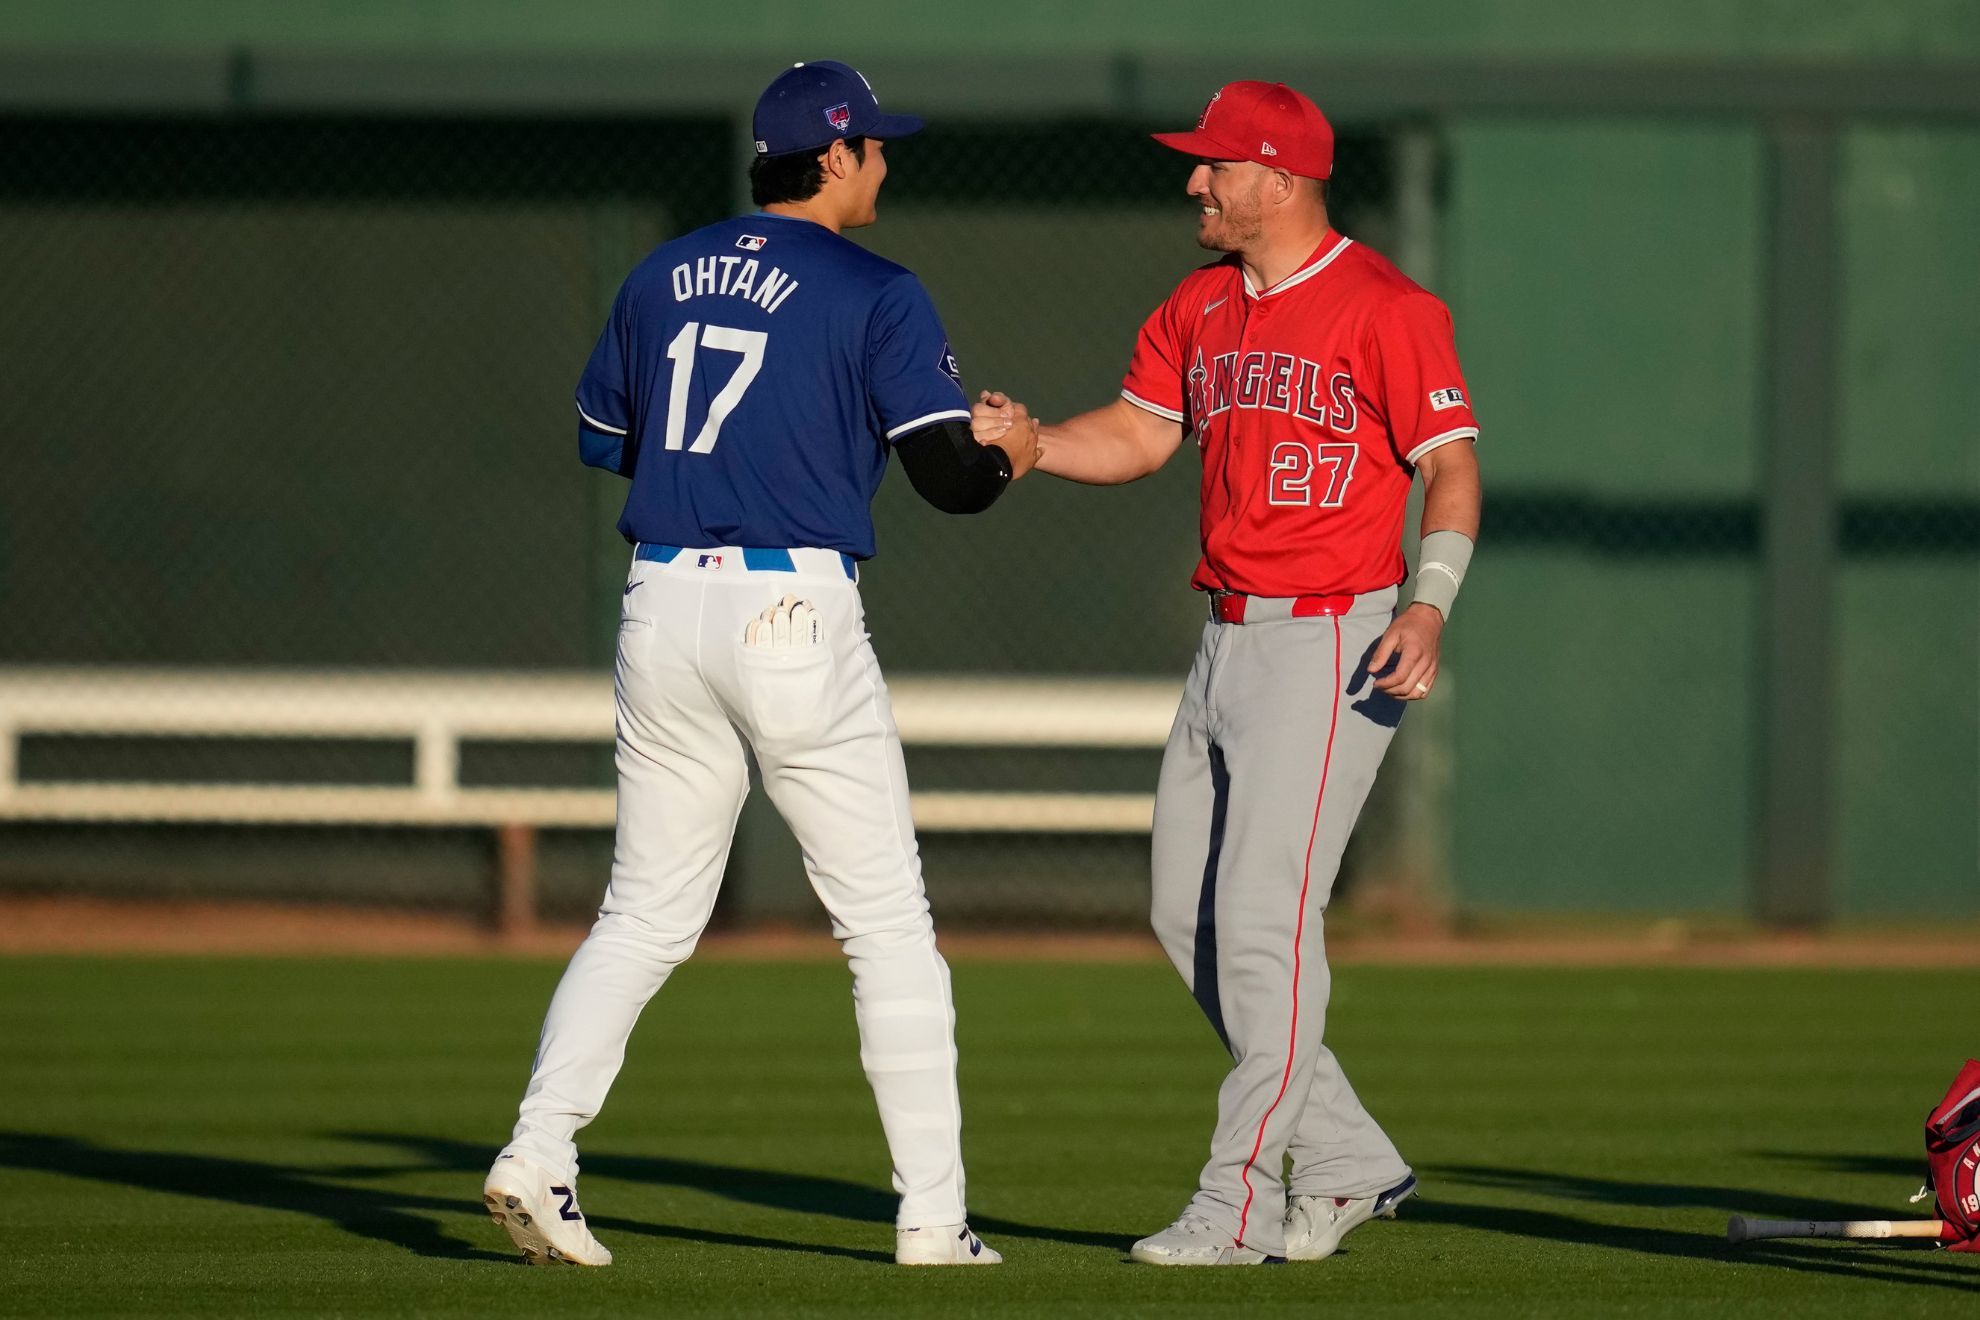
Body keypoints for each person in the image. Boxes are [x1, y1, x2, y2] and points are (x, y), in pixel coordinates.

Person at [482, 59, 1036, 1269]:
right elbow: (951, 482)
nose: (885, 162)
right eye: (876, 147)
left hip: (662, 601)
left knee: (639, 914)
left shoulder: (660, 270)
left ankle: (537, 1148)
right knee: (887, 925)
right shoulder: (876, 289)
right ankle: (934, 1222)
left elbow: (610, 439)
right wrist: (1016, 451)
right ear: (833, 157)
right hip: (791, 610)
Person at [974, 80, 1481, 1266]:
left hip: (1336, 637)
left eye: (1215, 165)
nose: (1194, 182)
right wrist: (1039, 445)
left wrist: (1429, 601)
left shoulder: (1387, 307)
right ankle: (1351, 1160)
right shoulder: (1201, 305)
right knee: (1182, 916)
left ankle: (1241, 1202)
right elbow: (1145, 434)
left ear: (1283, 178)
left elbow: (1451, 468)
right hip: (1227, 638)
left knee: (1263, 923)